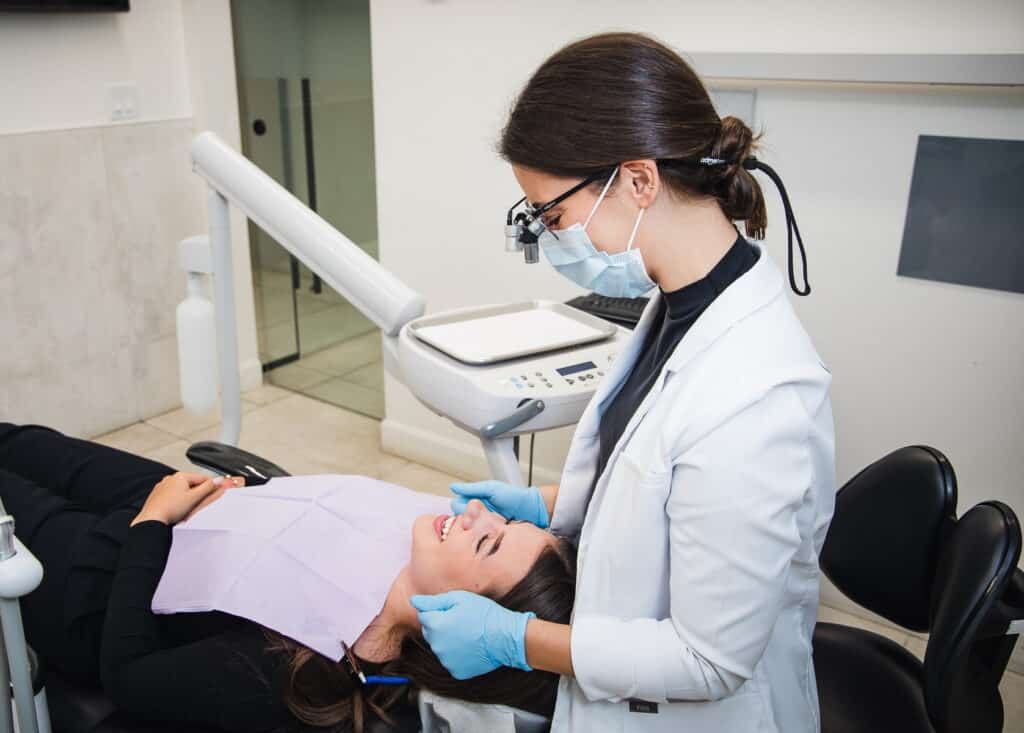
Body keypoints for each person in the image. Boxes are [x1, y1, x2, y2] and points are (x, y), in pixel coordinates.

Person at [410, 32, 837, 732]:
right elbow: (661, 482)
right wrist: (546, 503)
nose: (550, 239)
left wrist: (514, 639)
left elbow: (709, 661)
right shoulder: (680, 303)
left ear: (638, 180)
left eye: (553, 215)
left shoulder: (754, 396)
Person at [0, 422, 576, 732]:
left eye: (489, 540)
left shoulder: (308, 667)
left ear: (465, 615)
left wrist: (152, 521)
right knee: (21, 442)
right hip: (185, 505)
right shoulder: (413, 529)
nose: (476, 513)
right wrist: (252, 499)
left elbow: (127, 678)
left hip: (98, 582)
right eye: (505, 519)